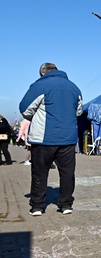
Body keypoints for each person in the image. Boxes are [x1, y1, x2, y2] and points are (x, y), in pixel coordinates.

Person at [19, 62, 83, 216]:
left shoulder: (40, 85)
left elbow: (25, 108)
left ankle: (37, 206)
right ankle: (66, 204)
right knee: (67, 173)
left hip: (44, 139)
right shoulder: (74, 87)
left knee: (39, 173)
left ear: (42, 72)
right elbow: (79, 111)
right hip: (68, 138)